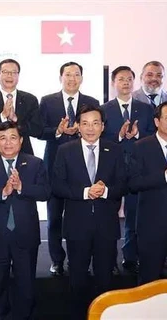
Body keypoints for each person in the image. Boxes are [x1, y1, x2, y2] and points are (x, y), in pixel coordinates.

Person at [52, 105, 127, 319]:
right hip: (77, 225)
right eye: (84, 123)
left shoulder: (114, 150)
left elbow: (124, 184)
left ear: (103, 126)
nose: (90, 128)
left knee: (105, 279)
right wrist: (85, 192)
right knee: (77, 279)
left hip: (106, 226)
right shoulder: (65, 151)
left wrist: (105, 192)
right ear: (77, 126)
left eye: (95, 123)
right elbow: (57, 186)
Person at [0, 121, 50, 320]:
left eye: (13, 137)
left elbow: (45, 192)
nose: (8, 143)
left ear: (21, 140)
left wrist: (22, 188)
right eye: (3, 138)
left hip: (25, 236)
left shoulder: (35, 163)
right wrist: (3, 192)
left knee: (26, 288)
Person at [38, 61, 100, 276]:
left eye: (76, 75)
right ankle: (56, 259)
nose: (72, 78)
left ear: (81, 78)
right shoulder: (47, 101)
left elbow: (97, 129)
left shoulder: (91, 102)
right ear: (60, 77)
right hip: (55, 165)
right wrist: (57, 131)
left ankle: (84, 258)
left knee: (82, 216)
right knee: (54, 216)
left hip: (84, 167)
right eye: (68, 74)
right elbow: (38, 130)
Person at [101, 66, 155, 274]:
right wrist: (120, 137)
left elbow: (152, 135)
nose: (126, 83)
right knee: (110, 215)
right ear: (113, 83)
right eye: (121, 79)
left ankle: (131, 256)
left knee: (134, 213)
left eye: (129, 79)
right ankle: (109, 258)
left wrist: (138, 134)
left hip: (137, 168)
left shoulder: (146, 109)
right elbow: (98, 137)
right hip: (111, 168)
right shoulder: (104, 109)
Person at [129, 102, 167, 284]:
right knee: (148, 280)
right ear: (157, 121)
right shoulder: (141, 147)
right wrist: (163, 176)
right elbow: (134, 183)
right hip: (152, 226)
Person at [0, 58, 43, 158]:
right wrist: (2, 116)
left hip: (24, 155)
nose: (9, 75)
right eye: (5, 72)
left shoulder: (30, 99)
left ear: (18, 76)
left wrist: (16, 120)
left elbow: (37, 130)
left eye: (13, 72)